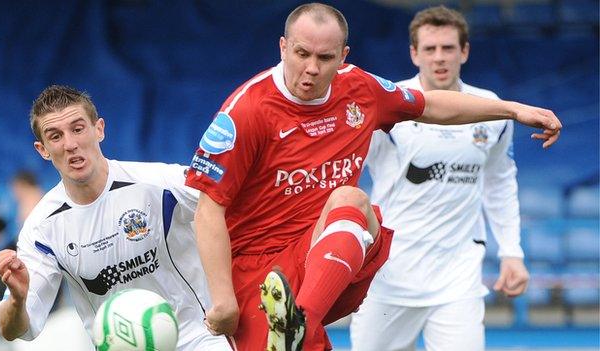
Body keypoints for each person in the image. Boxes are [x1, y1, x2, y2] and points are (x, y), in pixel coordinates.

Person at [184, 3, 560, 351]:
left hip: (327, 258)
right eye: (302, 54)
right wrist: (223, 299)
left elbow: (431, 105)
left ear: (343, 57)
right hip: (259, 271)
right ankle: (298, 329)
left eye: (325, 57)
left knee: (352, 200)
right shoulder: (246, 111)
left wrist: (512, 109)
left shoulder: (360, 89)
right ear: (283, 47)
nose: (312, 68)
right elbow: (208, 209)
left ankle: (300, 323)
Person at [0, 85, 231, 351]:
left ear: (99, 129)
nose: (71, 144)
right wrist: (17, 299)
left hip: (199, 339)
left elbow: (236, 205)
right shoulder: (41, 228)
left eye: (78, 128)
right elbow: (11, 330)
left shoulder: (160, 184)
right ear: (43, 149)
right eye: (56, 136)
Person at [349, 6, 530, 351]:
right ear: (414, 54)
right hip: (389, 276)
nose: (439, 58)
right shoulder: (386, 106)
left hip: (457, 278)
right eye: (430, 49)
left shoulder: (491, 109)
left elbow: (500, 182)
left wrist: (512, 252)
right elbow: (348, 172)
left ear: (464, 51)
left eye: (448, 48)